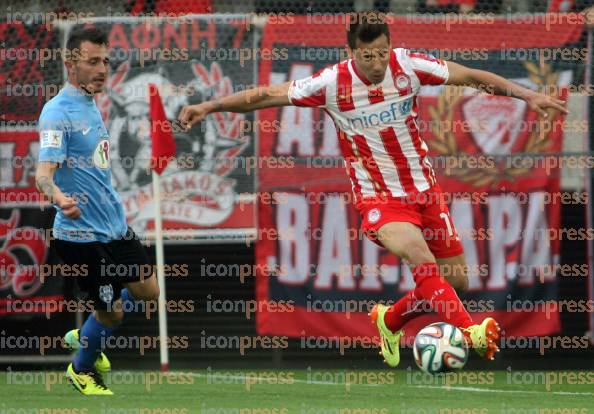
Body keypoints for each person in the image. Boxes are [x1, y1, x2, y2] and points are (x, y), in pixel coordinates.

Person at [178, 11, 567, 367]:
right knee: (418, 254)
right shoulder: (332, 83)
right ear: (351, 52)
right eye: (368, 56)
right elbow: (265, 96)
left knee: (456, 282)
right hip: (379, 199)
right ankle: (471, 331)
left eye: (382, 52)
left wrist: (529, 95)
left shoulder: (407, 66)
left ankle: (390, 318)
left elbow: (470, 76)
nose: (378, 63)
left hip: (425, 194)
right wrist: (211, 106)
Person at [35, 27, 160, 395]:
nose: (102, 69)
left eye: (105, 61)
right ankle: (82, 368)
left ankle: (88, 332)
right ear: (70, 62)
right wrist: (59, 198)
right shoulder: (57, 113)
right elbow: (43, 175)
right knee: (113, 313)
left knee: (148, 292)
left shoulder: (91, 104)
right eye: (93, 62)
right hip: (80, 237)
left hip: (115, 228)